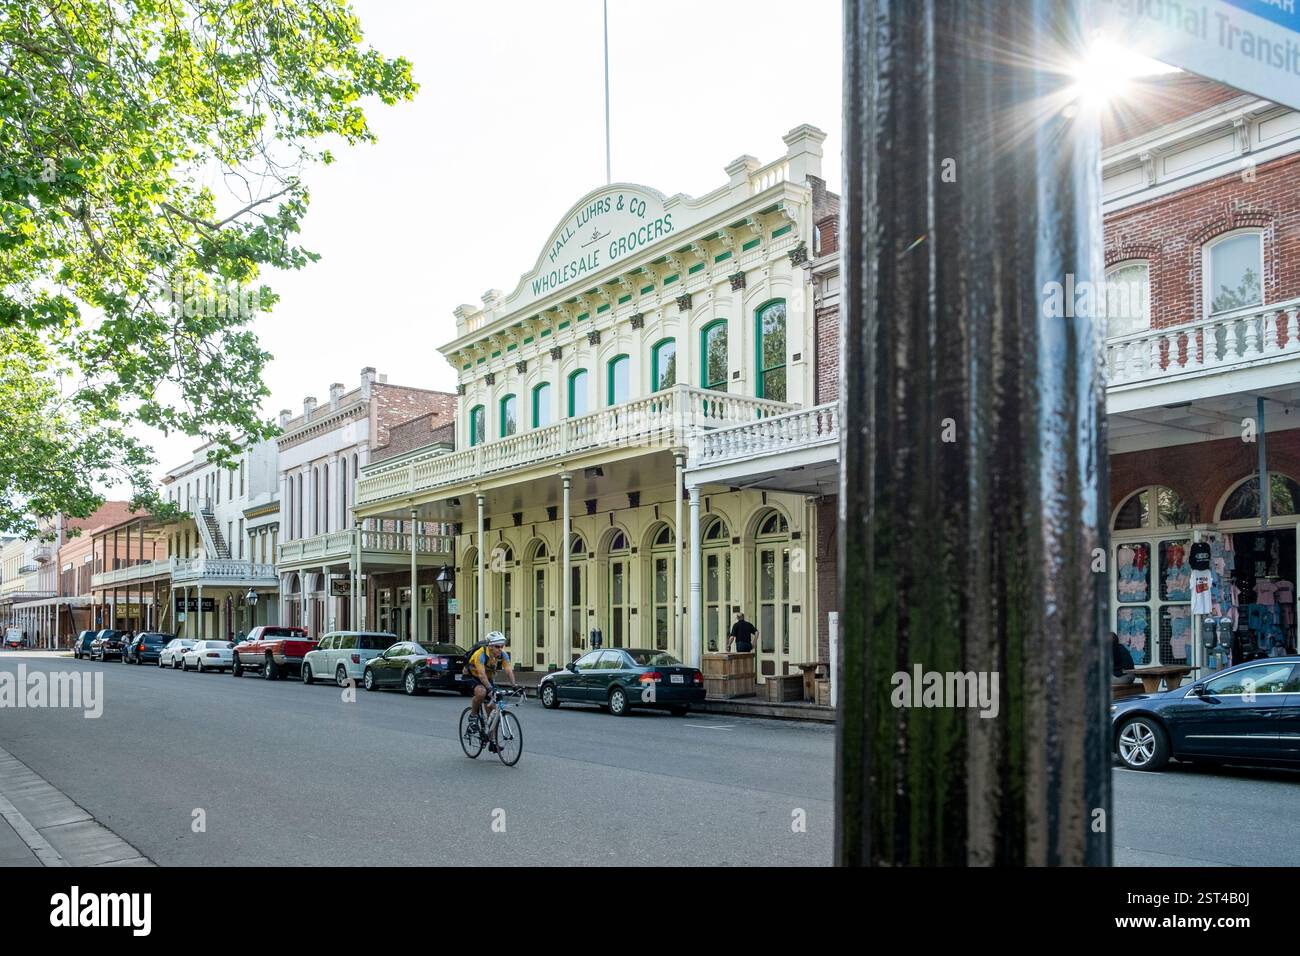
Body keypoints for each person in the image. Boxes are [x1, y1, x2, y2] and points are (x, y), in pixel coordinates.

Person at [464, 631, 518, 748]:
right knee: (482, 692)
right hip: (472, 676)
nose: (500, 649)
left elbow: (508, 670)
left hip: (487, 679)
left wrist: (514, 685)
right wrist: (490, 689)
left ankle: (492, 741)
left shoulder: (502, 655)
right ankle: (473, 716)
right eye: (497, 647)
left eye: (502, 646)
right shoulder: (480, 654)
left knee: (492, 709)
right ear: (490, 646)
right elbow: (481, 675)